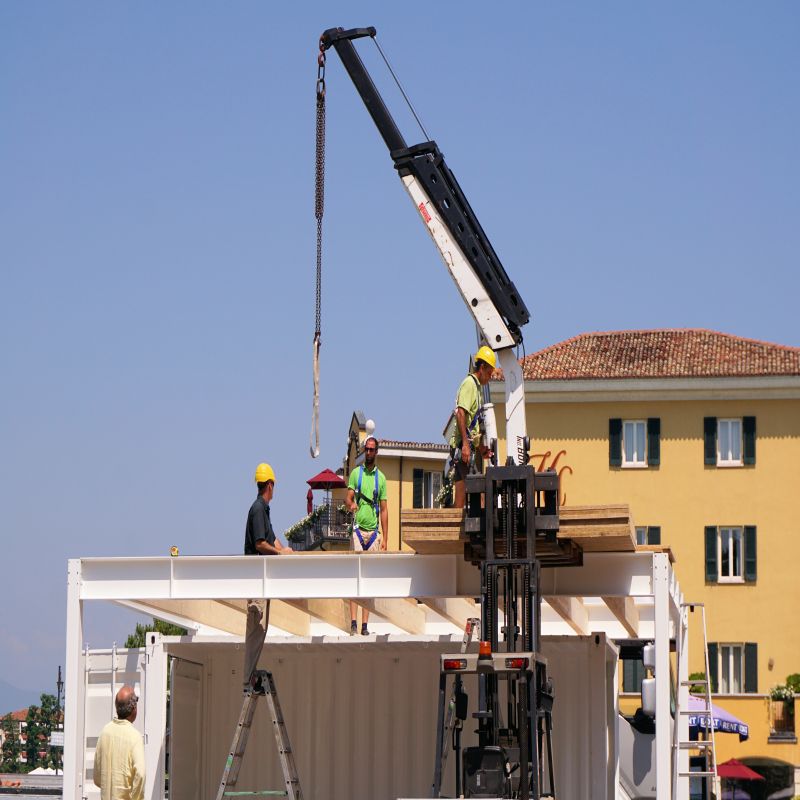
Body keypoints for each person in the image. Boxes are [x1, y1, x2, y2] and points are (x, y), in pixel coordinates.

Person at [243, 462, 292, 691]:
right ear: (270, 485)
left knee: (261, 628)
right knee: (256, 627)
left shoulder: (263, 510)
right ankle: (248, 679)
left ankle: (250, 675)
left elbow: (272, 540)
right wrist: (280, 553)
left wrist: (287, 551)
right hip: (256, 581)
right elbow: (260, 544)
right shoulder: (258, 509)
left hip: (263, 582)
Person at [345, 435, 388, 635]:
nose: (369, 453)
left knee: (368, 579)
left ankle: (364, 625)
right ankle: (353, 622)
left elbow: (385, 509)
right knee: (355, 577)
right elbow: (348, 497)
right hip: (358, 530)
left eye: (372, 450)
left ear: (376, 452)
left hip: (373, 533)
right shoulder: (356, 474)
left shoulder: (381, 479)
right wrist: (351, 504)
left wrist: (385, 538)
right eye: (367, 449)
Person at [451, 345, 496, 508]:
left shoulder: (476, 387)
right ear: (482, 367)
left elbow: (473, 425)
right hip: (463, 448)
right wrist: (465, 444)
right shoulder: (470, 384)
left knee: (462, 497)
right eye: (489, 373)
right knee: (477, 493)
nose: (490, 377)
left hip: (466, 447)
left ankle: (455, 531)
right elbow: (461, 413)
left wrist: (481, 447)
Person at [93, 685, 145, 800]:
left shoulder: (105, 732)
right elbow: (140, 774)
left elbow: (97, 778)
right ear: (134, 708)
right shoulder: (134, 736)